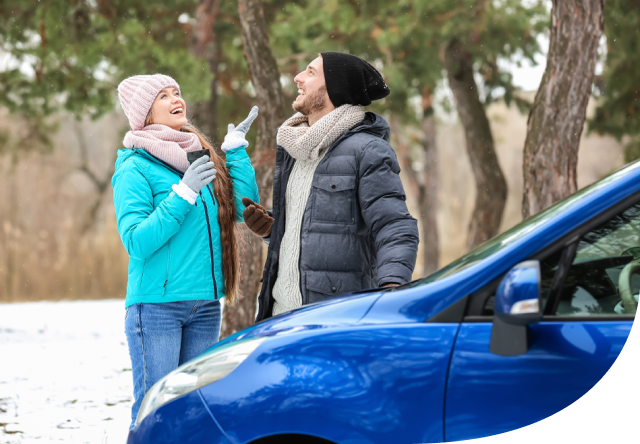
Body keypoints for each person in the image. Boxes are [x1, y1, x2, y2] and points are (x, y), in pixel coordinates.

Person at [112, 74, 259, 427]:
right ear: (144, 112)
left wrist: (235, 152)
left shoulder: (196, 153)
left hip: (205, 305)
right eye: (163, 96)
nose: (176, 98)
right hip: (157, 308)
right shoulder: (135, 166)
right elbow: (136, 240)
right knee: (155, 412)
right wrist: (182, 195)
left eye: (176, 91)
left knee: (195, 411)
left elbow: (240, 210)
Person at [242, 52, 419, 322]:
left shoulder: (368, 150)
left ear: (335, 88)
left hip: (332, 318)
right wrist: (273, 229)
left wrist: (390, 290)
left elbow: (395, 227)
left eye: (311, 73)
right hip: (277, 316)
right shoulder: (294, 149)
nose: (298, 78)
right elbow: (321, 226)